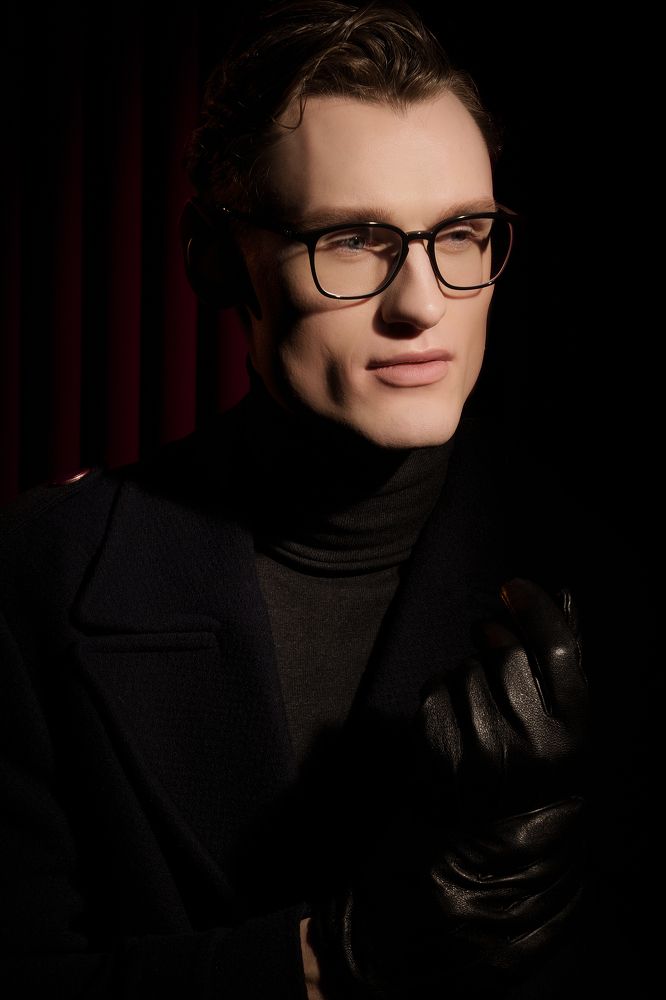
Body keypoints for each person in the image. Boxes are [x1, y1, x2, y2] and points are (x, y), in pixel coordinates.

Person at [0, 1, 655, 997]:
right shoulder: (41, 576)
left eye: (462, 234)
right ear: (214, 258)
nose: (422, 304)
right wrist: (334, 957)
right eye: (354, 240)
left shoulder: (609, 576)